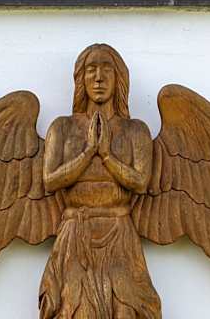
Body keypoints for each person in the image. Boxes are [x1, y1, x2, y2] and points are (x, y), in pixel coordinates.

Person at [40, 44, 162, 319]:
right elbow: (50, 180)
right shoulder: (62, 128)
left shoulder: (135, 130)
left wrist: (106, 154)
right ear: (80, 80)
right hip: (75, 235)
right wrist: (88, 152)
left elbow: (140, 182)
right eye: (91, 69)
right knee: (74, 309)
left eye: (107, 69)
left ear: (119, 79)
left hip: (120, 234)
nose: (98, 77)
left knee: (126, 310)